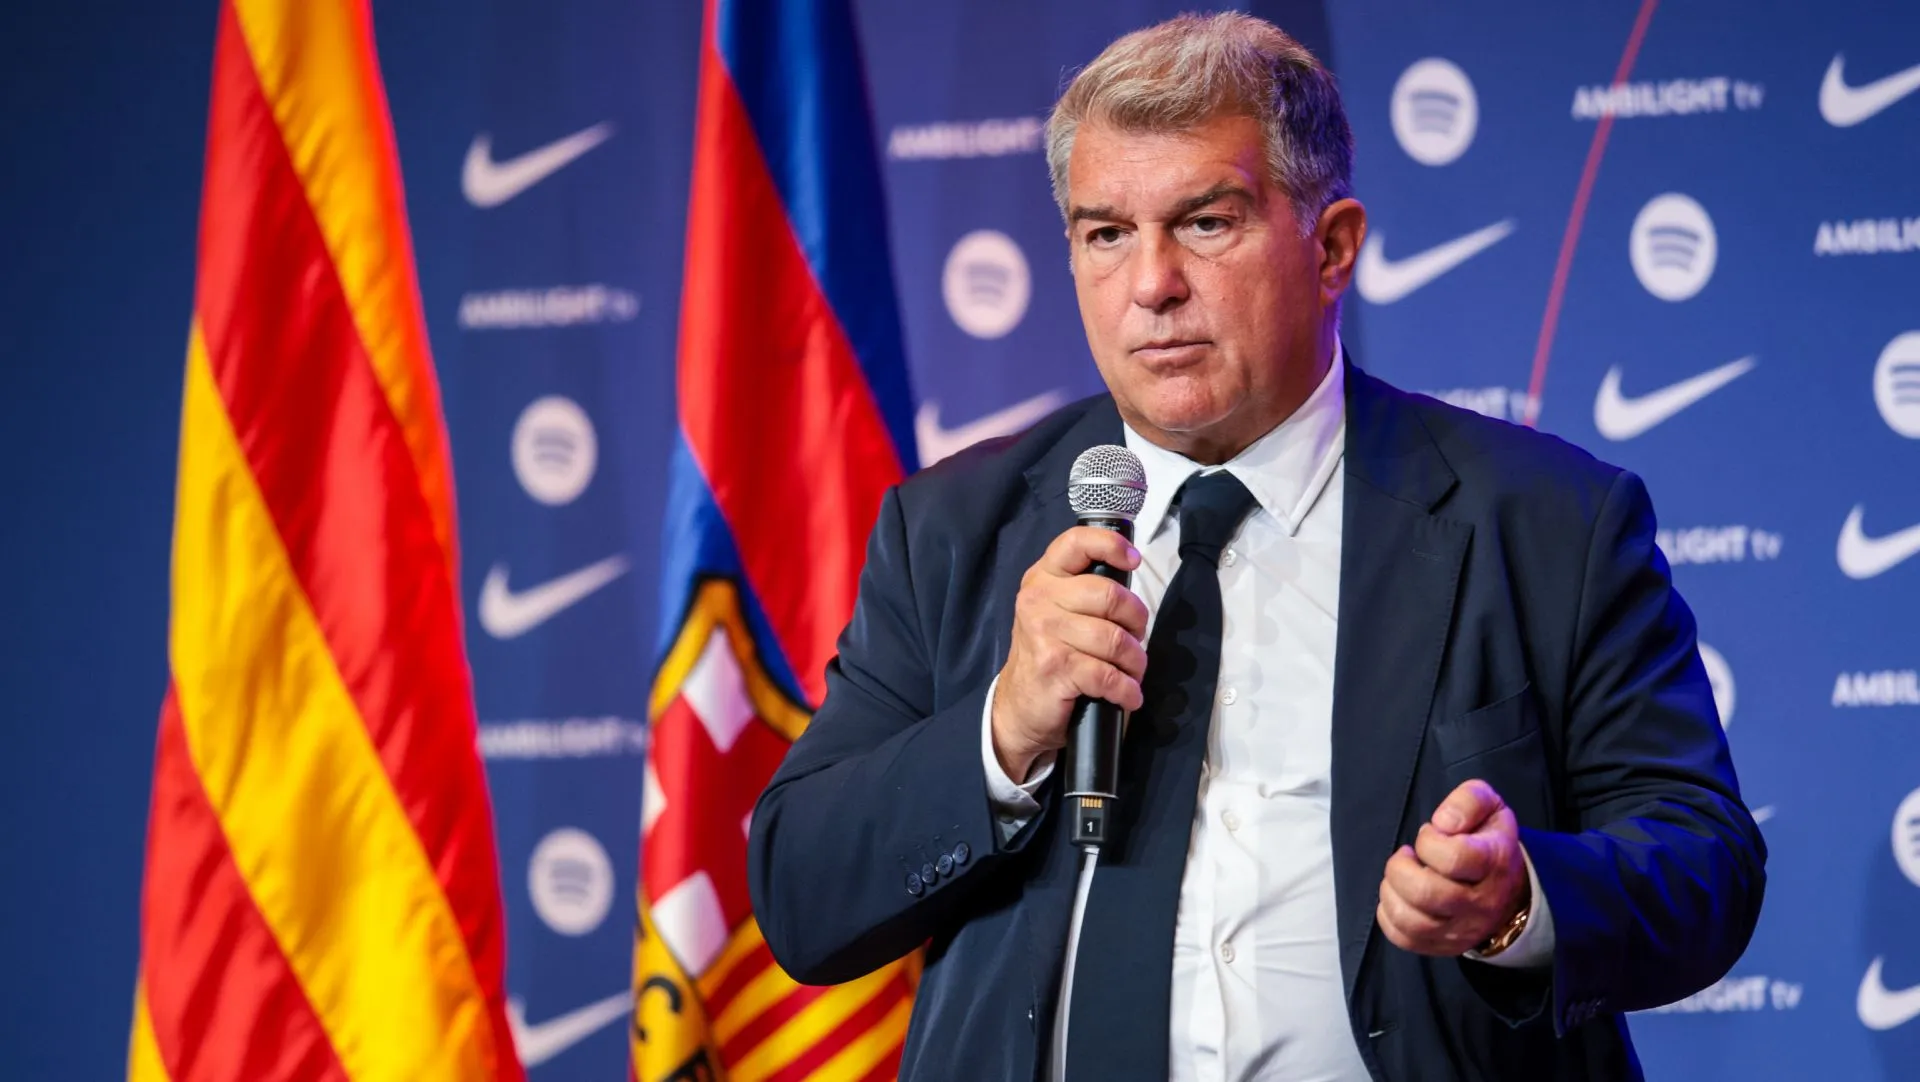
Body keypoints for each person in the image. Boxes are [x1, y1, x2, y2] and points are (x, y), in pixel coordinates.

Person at [746, 12, 1766, 1081]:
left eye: (1205, 223)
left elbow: (1705, 857)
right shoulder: (953, 528)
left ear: (1331, 246)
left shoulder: (1545, 519)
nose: (1151, 285)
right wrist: (1003, 729)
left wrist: (1522, 901)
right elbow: (805, 896)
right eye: (1105, 233)